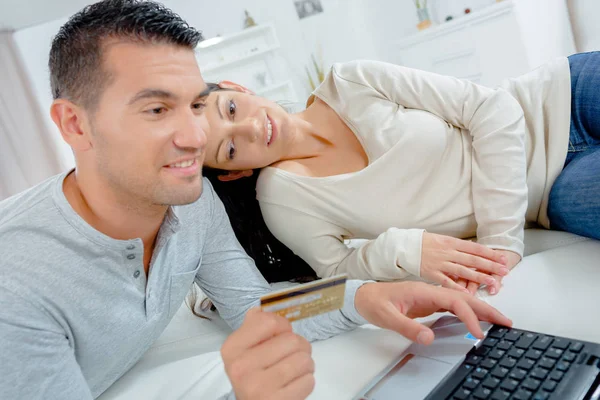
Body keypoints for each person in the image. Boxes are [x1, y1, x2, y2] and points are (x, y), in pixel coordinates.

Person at [0, 1, 513, 399]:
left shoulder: (191, 203)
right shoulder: (16, 284)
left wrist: (362, 297)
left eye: (195, 104)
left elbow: (253, 305)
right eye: (157, 109)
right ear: (75, 124)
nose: (194, 137)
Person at [201, 52, 600, 296]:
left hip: (561, 93)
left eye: (231, 109)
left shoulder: (350, 81)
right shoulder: (284, 197)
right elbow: (336, 270)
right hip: (553, 192)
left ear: (239, 88)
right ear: (234, 174)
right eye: (231, 149)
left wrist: (501, 241)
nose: (251, 129)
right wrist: (403, 249)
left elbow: (493, 108)